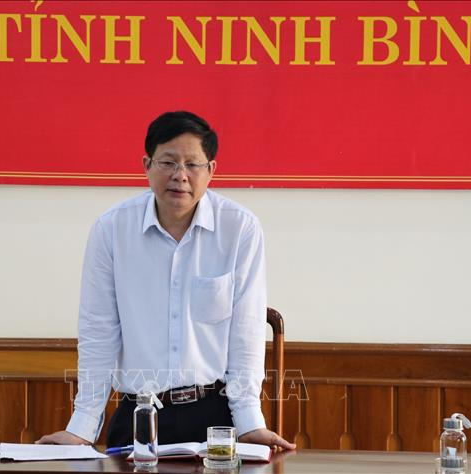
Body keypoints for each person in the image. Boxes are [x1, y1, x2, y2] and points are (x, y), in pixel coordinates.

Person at [37, 111, 295, 451]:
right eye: (168, 162)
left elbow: (246, 332)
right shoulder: (112, 230)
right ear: (147, 165)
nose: (180, 175)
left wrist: (249, 423)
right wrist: (82, 427)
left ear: (211, 170)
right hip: (138, 413)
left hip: (215, 416)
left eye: (192, 164)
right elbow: (98, 332)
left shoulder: (239, 229)